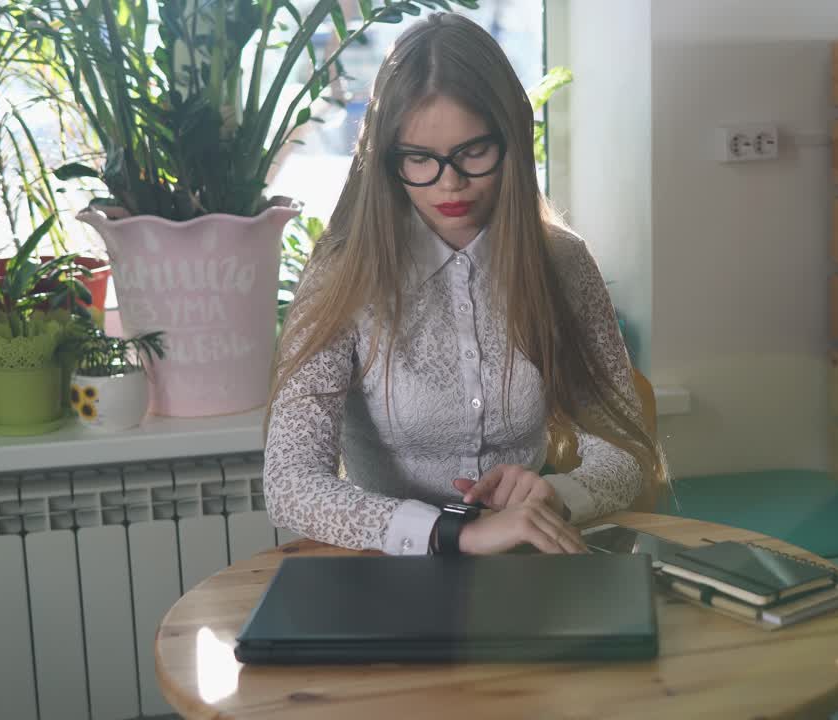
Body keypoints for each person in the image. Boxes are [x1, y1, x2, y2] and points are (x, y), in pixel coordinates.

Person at [264, 12, 666, 557]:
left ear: (513, 143)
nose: (449, 182)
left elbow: (629, 452)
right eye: (420, 159)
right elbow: (290, 484)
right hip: (385, 571)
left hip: (526, 560)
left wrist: (553, 494)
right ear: (385, 160)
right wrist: (457, 533)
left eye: (473, 152)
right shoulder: (343, 273)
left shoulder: (563, 264)